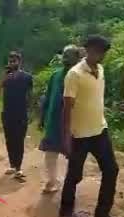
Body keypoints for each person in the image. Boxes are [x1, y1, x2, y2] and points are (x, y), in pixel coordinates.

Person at [60, 35, 124, 217]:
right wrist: (65, 137)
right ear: (87, 50)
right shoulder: (74, 74)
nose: (100, 55)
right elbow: (67, 107)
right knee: (74, 175)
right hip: (79, 134)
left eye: (103, 52)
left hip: (99, 129)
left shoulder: (101, 69)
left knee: (111, 169)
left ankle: (102, 216)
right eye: (97, 51)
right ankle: (66, 213)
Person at [38, 45, 82, 194]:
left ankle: (71, 185)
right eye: (64, 55)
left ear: (78, 58)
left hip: (73, 123)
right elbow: (48, 97)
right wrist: (42, 118)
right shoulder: (55, 75)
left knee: (73, 155)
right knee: (50, 153)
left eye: (69, 56)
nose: (65, 58)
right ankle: (52, 181)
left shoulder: (80, 77)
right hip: (53, 121)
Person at [0, 50, 35, 181]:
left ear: (19, 62)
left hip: (21, 113)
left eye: (14, 61)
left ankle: (18, 168)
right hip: (7, 113)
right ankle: (13, 165)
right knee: (9, 140)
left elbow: (30, 96)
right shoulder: (6, 77)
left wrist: (30, 113)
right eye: (10, 61)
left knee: (19, 141)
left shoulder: (27, 77)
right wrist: (4, 75)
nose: (12, 63)